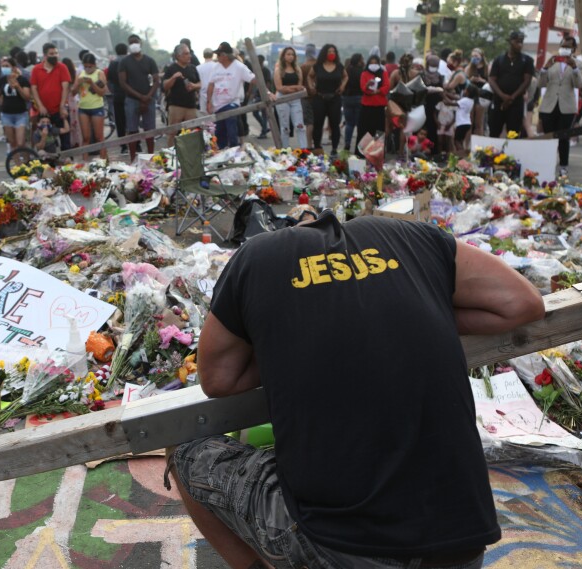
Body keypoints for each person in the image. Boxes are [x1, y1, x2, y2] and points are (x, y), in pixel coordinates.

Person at [167, 211, 545, 569]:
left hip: (339, 549)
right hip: (460, 545)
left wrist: (295, 340)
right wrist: (420, 313)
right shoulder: (411, 236)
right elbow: (522, 303)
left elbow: (217, 379)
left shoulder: (257, 257)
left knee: (182, 446)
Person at [539, 35, 582, 177]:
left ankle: (563, 165)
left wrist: (574, 68)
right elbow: (541, 83)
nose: (565, 49)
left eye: (568, 47)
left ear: (574, 49)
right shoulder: (552, 62)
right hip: (549, 105)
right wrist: (545, 68)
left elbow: (579, 85)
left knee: (563, 137)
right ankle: (547, 163)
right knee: (548, 137)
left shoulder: (578, 64)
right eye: (563, 46)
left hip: (567, 106)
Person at [206, 42, 255, 149]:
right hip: (218, 105)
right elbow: (211, 84)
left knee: (231, 124)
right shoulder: (216, 67)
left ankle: (234, 147)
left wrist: (267, 92)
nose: (217, 57)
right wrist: (209, 102)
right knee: (220, 132)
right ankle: (223, 152)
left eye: (218, 54)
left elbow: (253, 79)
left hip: (232, 103)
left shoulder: (239, 67)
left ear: (224, 55)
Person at [119, 34, 160, 161]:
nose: (133, 44)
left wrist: (147, 96)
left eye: (135, 42)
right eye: (131, 43)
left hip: (149, 99)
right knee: (132, 131)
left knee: (150, 131)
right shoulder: (124, 62)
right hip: (131, 100)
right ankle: (132, 160)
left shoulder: (150, 61)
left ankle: (151, 157)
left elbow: (156, 80)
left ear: (140, 43)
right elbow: (123, 83)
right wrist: (140, 96)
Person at [488, 31, 534, 138]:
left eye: (521, 42)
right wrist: (503, 96)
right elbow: (492, 79)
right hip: (498, 101)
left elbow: (527, 81)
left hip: (516, 102)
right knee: (494, 131)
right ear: (510, 42)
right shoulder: (499, 60)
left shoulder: (527, 60)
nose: (520, 45)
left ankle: (511, 154)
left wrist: (511, 97)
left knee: (513, 133)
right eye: (517, 42)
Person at [29, 43, 72, 152]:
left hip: (60, 109)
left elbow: (65, 87)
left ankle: (67, 164)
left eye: (56, 53)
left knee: (65, 139)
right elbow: (33, 89)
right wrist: (40, 106)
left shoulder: (62, 67)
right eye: (51, 54)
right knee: (45, 139)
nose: (55, 56)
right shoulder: (36, 69)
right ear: (45, 55)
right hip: (44, 112)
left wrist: (62, 106)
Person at [307, 44, 347, 153]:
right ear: (325, 53)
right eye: (329, 51)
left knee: (335, 124)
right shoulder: (318, 66)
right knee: (318, 124)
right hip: (320, 97)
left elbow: (345, 76)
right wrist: (311, 86)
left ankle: (334, 148)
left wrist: (343, 86)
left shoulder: (339, 66)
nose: (331, 54)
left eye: (333, 51)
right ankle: (317, 147)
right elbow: (310, 76)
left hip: (335, 98)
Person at [162, 44, 200, 146]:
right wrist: (173, 78)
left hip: (191, 106)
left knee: (192, 132)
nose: (189, 56)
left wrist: (194, 86)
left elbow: (200, 83)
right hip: (176, 106)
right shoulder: (171, 69)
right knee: (172, 132)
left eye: (189, 53)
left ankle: (190, 155)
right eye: (186, 54)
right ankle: (171, 155)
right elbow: (165, 86)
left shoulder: (192, 68)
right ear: (178, 56)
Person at [74, 53, 107, 160]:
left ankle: (104, 160)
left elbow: (102, 92)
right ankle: (85, 163)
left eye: (90, 66)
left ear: (94, 65)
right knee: (86, 137)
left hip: (96, 107)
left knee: (99, 137)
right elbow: (73, 92)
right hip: (83, 108)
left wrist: (92, 83)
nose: (88, 69)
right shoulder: (79, 73)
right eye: (86, 66)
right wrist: (78, 84)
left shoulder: (99, 73)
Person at [273, 46, 306, 149]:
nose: (291, 57)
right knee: (285, 128)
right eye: (288, 54)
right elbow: (279, 88)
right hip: (282, 99)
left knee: (300, 126)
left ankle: (304, 149)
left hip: (295, 99)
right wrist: (293, 87)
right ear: (283, 56)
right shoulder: (278, 70)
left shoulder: (297, 69)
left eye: (292, 54)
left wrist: (289, 88)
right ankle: (285, 150)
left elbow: (300, 87)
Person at [355, 54, 389, 156]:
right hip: (367, 106)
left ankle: (377, 155)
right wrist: (367, 85)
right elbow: (362, 88)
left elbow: (387, 86)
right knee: (364, 130)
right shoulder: (364, 74)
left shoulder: (383, 73)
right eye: (371, 63)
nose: (373, 65)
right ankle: (361, 153)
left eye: (375, 63)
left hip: (379, 107)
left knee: (378, 132)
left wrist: (378, 91)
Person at [0, 57, 31, 152]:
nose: (4, 68)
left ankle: (27, 162)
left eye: (7, 66)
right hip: (6, 115)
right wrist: (1, 103)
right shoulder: (2, 80)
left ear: (14, 67)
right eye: (2, 66)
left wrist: (18, 87)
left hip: (21, 114)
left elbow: (27, 97)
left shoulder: (22, 80)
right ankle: (18, 165)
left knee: (21, 143)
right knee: (12, 142)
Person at [106, 43, 129, 154]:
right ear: (126, 50)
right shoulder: (130, 62)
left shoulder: (113, 64)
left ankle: (123, 145)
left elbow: (109, 80)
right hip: (131, 95)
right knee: (132, 121)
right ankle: (136, 143)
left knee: (120, 122)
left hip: (118, 95)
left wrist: (113, 91)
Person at [342, 53, 364, 152]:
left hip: (347, 98)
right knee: (360, 123)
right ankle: (359, 145)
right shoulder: (362, 72)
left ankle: (347, 143)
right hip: (359, 98)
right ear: (359, 60)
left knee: (349, 123)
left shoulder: (347, 70)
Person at [466, 48, 489, 136]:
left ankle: (479, 142)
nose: (474, 58)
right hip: (471, 95)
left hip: (482, 95)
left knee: (479, 122)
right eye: (472, 56)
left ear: (482, 56)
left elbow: (491, 82)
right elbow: (464, 81)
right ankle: (467, 144)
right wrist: (470, 80)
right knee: (469, 121)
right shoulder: (469, 67)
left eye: (476, 56)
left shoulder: (487, 68)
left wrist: (482, 80)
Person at [249, 55, 273, 139]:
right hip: (257, 94)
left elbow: (268, 83)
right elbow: (253, 82)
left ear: (262, 61)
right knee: (255, 112)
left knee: (264, 114)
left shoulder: (266, 70)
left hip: (264, 94)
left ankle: (264, 132)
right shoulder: (256, 70)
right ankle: (264, 127)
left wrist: (267, 93)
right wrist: (252, 93)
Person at [300, 44, 317, 148]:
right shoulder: (318, 65)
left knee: (309, 122)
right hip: (318, 96)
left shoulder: (303, 66)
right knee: (317, 121)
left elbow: (301, 83)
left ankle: (309, 144)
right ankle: (316, 143)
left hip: (306, 97)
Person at [196, 47, 216, 117]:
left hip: (203, 95)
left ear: (203, 56)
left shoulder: (198, 68)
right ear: (212, 55)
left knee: (205, 119)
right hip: (216, 94)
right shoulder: (217, 66)